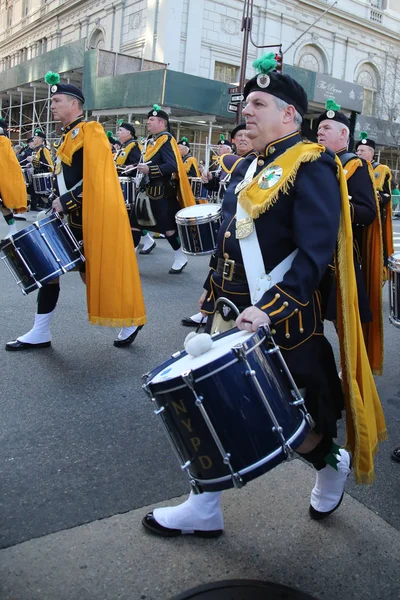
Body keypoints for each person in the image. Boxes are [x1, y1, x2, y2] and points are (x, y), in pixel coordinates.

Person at [142, 53, 386, 538]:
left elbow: (315, 254)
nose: (245, 112)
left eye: (258, 103)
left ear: (289, 115)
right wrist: (212, 297)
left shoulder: (312, 164)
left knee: (294, 422)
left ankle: (329, 463)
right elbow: (231, 237)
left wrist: (269, 308)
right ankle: (204, 505)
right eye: (244, 104)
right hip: (231, 313)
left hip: (282, 321)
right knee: (210, 405)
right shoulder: (252, 165)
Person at [5, 72, 146, 351]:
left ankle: (130, 318)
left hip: (87, 219)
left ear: (74, 104)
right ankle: (40, 331)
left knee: (93, 275)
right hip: (69, 218)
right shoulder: (68, 134)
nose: (53, 105)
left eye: (57, 100)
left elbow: (99, 176)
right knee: (49, 270)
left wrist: (67, 200)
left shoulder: (90, 131)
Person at [317, 103, 383, 376]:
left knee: (342, 317)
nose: (320, 132)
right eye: (319, 128)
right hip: (315, 251)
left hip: (341, 256)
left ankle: (352, 369)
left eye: (327, 128)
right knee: (313, 314)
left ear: (344, 135)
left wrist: (338, 208)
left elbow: (368, 212)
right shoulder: (317, 161)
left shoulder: (354, 164)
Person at [181, 125, 256, 328]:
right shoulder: (226, 162)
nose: (242, 139)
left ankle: (210, 311)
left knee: (223, 268)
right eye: (238, 136)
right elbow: (220, 186)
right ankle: (207, 310)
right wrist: (209, 180)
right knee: (217, 266)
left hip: (243, 224)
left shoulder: (257, 162)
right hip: (226, 218)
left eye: (246, 135)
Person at [132, 104, 195, 274]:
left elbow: (172, 165)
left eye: (152, 120)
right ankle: (129, 261)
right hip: (144, 191)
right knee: (134, 226)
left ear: (162, 123)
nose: (148, 123)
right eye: (148, 120)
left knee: (168, 229)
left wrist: (150, 170)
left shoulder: (166, 140)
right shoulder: (149, 142)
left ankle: (180, 256)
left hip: (161, 194)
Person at [113, 120, 155, 255]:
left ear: (128, 133)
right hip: (120, 184)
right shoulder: (124, 146)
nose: (118, 133)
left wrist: (128, 167)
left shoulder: (134, 145)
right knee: (129, 218)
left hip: (129, 187)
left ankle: (134, 247)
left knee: (131, 218)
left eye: (120, 130)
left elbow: (138, 163)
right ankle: (148, 240)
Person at [356, 132, 394, 272]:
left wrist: (373, 197)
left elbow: (387, 195)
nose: (358, 153)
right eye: (358, 150)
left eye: (362, 150)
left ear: (371, 153)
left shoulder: (382, 170)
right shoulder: (354, 166)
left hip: (374, 219)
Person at [0, 118, 27, 239]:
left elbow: (6, 164)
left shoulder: (3, 142)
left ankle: (13, 228)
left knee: (3, 206)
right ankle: (13, 228)